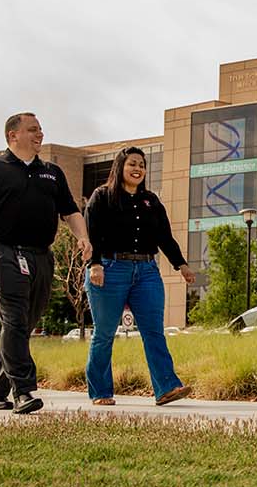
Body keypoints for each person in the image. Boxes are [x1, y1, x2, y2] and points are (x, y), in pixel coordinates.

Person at [0, 112, 92, 414]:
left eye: (41, 129)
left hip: (41, 255)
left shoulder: (52, 172)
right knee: (14, 320)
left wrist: (83, 237)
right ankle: (24, 391)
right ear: (12, 135)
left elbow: (70, 212)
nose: (39, 134)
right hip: (3, 252)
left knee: (23, 325)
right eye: (32, 129)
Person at [84, 146, 194, 406]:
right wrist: (94, 264)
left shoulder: (151, 201)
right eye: (132, 163)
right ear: (120, 166)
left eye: (142, 165)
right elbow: (92, 234)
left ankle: (166, 388)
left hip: (146, 271)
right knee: (105, 333)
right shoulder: (102, 197)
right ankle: (100, 391)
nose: (137, 169)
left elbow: (164, 237)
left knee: (154, 331)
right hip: (110, 268)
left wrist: (182, 265)